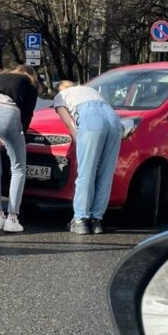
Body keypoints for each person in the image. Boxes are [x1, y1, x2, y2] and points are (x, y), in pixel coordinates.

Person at [54, 80, 121, 235]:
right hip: (113, 118)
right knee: (106, 173)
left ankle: (80, 220)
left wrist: (80, 141)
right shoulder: (89, 90)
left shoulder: (61, 96)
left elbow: (70, 125)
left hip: (92, 120)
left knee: (86, 172)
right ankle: (96, 221)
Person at [0, 65, 39, 233]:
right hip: (8, 113)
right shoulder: (28, 82)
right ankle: (12, 218)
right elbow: (27, 113)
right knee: (18, 168)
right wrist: (19, 134)